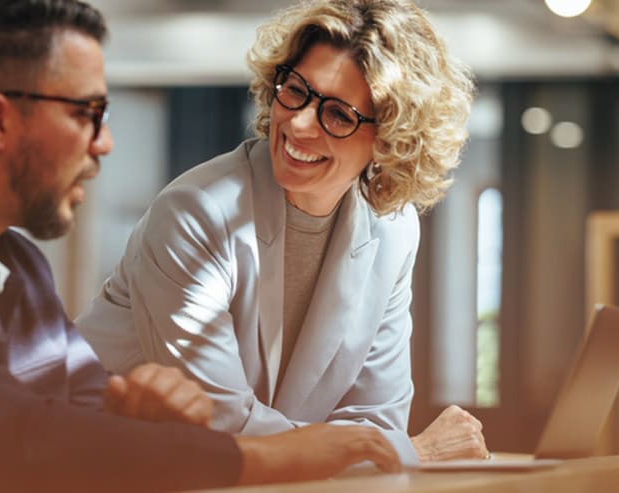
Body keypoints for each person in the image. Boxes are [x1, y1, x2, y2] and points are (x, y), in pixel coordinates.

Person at [0, 1, 400, 491]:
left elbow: (78, 413)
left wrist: (137, 416)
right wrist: (278, 454)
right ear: (1, 118)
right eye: (87, 112)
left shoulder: (17, 264)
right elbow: (7, 441)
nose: (104, 143)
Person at [76, 0, 486, 464]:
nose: (299, 122)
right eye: (296, 90)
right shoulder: (195, 211)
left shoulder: (393, 229)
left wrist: (382, 447)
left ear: (390, 140)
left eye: (337, 114)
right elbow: (222, 424)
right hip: (97, 468)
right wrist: (409, 451)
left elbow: (375, 414)